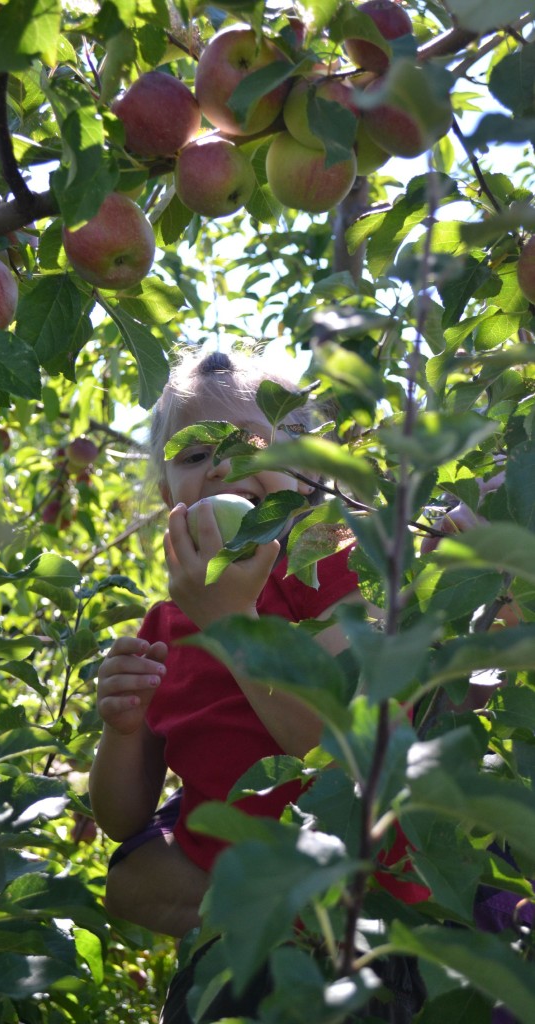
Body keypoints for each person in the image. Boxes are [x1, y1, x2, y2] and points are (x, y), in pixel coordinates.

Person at [88, 349, 427, 1021]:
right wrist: (121, 728)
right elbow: (122, 819)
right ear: (166, 495)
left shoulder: (333, 574)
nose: (218, 468)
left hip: (360, 925)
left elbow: (339, 747)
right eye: (190, 457)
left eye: (245, 448)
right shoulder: (165, 621)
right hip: (232, 943)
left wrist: (234, 624)